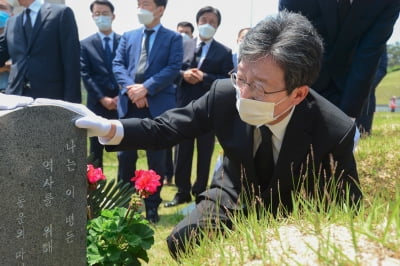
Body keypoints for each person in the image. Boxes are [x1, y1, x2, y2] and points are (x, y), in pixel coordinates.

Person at [72, 11, 362, 259]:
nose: (245, 95)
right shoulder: (225, 94)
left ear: (298, 93)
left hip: (292, 205)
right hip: (233, 189)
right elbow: (169, 127)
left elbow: (347, 210)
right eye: (242, 78)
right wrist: (111, 128)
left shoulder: (333, 130)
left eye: (260, 87)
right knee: (181, 241)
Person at [112, 0, 183, 223]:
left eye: (146, 4)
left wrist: (146, 88)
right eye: (138, 3)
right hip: (130, 105)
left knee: (157, 160)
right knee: (125, 157)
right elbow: (117, 64)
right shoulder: (128, 36)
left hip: (157, 107)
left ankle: (152, 207)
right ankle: (124, 205)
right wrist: (132, 89)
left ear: (160, 10)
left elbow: (173, 68)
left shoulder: (173, 38)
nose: (140, 8)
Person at [279, 0, 400, 120]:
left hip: (348, 84)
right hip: (302, 80)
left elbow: (369, 54)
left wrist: (348, 116)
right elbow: (290, 45)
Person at [164, 6, 233, 208]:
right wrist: (183, 75)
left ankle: (200, 191)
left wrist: (205, 78)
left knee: (205, 151)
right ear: (197, 22)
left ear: (217, 26)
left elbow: (227, 80)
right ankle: (182, 191)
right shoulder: (181, 44)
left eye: (212, 22)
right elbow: (170, 70)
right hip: (184, 106)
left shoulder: (224, 51)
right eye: (204, 20)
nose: (207, 24)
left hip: (209, 109)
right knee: (182, 151)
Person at [0, 0, 81, 103]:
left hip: (51, 99)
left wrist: (72, 105)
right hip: (17, 99)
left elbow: (72, 61)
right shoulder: (12, 21)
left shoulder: (60, 13)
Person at [80, 0, 120, 169]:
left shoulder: (125, 41)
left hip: (121, 103)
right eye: (97, 14)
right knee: (96, 150)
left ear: (113, 16)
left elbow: (129, 70)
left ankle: (124, 188)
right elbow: (85, 74)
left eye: (105, 13)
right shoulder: (85, 44)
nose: (101, 17)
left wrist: (120, 96)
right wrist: (102, 98)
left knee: (123, 149)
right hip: (97, 103)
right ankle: (95, 188)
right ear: (92, 17)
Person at [163, 20, 196, 187]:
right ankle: (168, 174)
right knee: (167, 138)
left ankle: (178, 176)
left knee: (181, 143)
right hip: (169, 100)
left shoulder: (194, 52)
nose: (183, 35)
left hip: (185, 102)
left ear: (192, 35)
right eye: (180, 31)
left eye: (186, 32)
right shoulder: (170, 50)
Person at [356, 49, 388, 136]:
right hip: (340, 93)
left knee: (363, 134)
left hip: (367, 99)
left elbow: (382, 68)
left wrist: (366, 84)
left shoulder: (378, 38)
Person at [0, 0, 12, 93]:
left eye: (2, 8)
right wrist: (4, 68)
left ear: (12, 14)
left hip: (14, 93)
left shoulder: (21, 38)